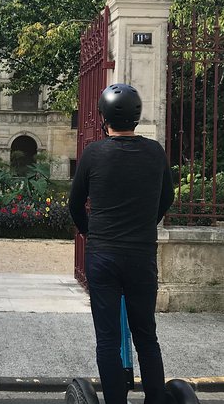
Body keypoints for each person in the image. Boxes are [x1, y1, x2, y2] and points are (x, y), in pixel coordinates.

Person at [69, 84, 175, 404]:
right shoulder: (155, 152)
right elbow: (166, 199)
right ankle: (155, 398)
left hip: (103, 256)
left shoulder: (93, 154)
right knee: (146, 335)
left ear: (103, 117)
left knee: (108, 338)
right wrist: (144, 225)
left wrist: (92, 233)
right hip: (141, 255)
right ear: (136, 116)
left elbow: (75, 205)